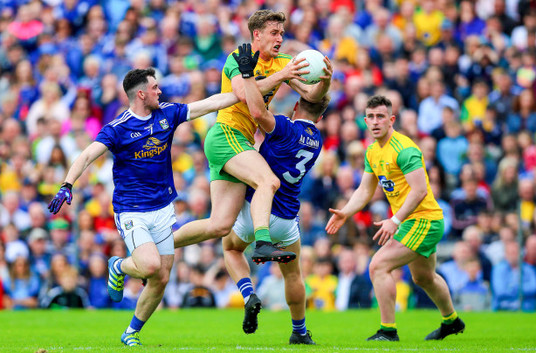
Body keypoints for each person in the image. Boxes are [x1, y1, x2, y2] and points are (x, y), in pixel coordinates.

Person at [47, 67, 240, 346]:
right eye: (155, 88)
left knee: (161, 278)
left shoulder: (167, 113)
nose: (159, 92)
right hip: (132, 210)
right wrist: (67, 184)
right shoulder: (118, 128)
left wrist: (243, 93)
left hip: (162, 208)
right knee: (150, 266)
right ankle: (120, 267)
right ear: (141, 93)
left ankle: (131, 332)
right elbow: (88, 154)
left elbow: (208, 104)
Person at [173, 9, 331, 264]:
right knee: (268, 181)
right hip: (226, 134)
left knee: (220, 225)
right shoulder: (238, 59)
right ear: (257, 34)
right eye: (274, 33)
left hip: (241, 142)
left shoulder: (283, 62)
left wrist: (325, 80)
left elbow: (311, 96)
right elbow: (243, 94)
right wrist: (282, 75)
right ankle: (263, 243)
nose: (280, 38)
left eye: (281, 33)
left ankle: (160, 245)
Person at [326, 95, 465, 341]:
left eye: (380, 116)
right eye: (370, 117)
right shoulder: (372, 151)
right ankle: (451, 321)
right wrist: (346, 212)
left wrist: (395, 220)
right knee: (423, 277)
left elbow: (420, 190)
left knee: (378, 265)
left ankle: (388, 331)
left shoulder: (404, 149)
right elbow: (365, 190)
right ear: (365, 121)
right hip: (413, 221)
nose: (375, 121)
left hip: (424, 220)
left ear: (391, 120)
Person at [222, 43, 331, 344]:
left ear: (297, 106)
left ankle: (248, 293)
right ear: (320, 117)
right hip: (287, 217)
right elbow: (315, 102)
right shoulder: (317, 139)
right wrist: (325, 81)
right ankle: (299, 332)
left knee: (230, 248)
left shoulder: (283, 127)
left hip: (258, 209)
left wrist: (247, 75)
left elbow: (256, 110)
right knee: (293, 275)